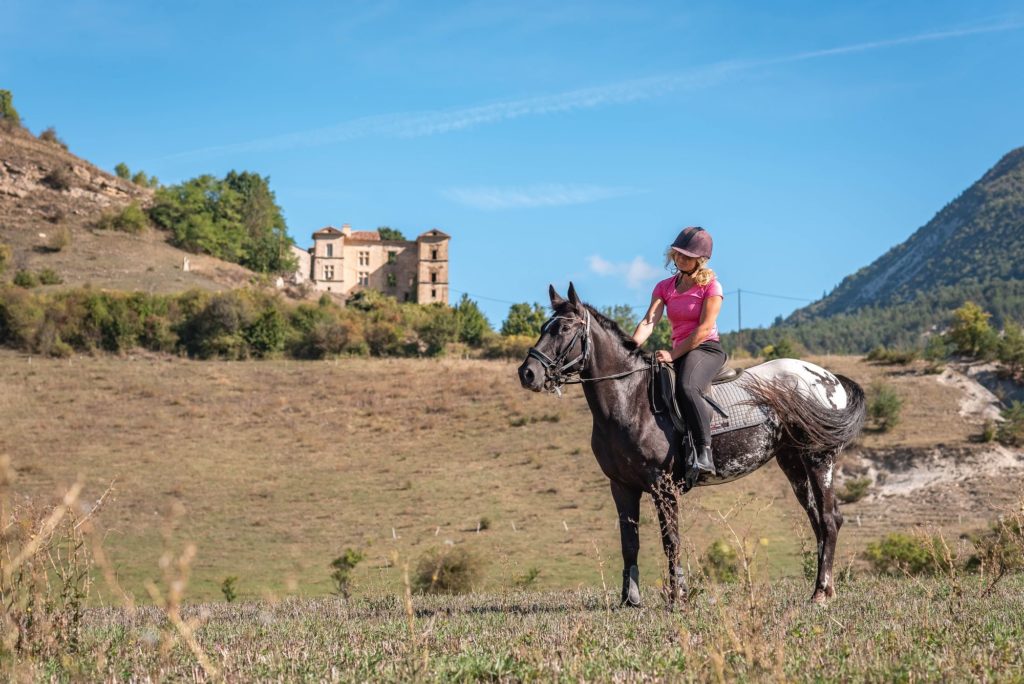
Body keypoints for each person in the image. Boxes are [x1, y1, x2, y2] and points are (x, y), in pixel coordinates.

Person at [631, 226, 725, 476]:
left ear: (700, 259)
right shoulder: (665, 287)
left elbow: (704, 329)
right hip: (681, 350)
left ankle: (704, 453)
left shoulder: (712, 287)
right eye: (677, 254)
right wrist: (631, 347)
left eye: (687, 255)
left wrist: (673, 355)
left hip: (706, 348)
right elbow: (649, 321)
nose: (680, 259)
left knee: (686, 387)